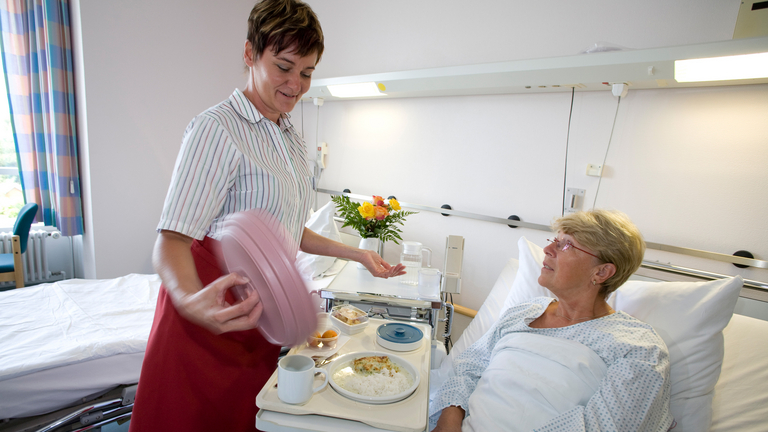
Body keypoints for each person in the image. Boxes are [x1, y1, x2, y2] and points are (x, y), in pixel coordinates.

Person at [130, 1, 404, 430]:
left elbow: (290, 232)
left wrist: (358, 255)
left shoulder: (291, 139)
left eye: (308, 72)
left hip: (259, 317)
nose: (296, 85)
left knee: (249, 418)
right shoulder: (216, 129)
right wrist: (189, 302)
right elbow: (172, 239)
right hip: (208, 314)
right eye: (284, 67)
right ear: (249, 54)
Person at [430, 210, 674, 432]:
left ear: (601, 272)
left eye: (567, 245)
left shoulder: (639, 349)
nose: (548, 250)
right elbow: (467, 368)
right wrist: (448, 424)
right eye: (555, 241)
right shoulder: (523, 312)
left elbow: (604, 427)